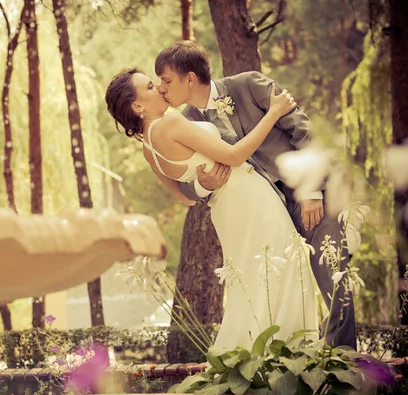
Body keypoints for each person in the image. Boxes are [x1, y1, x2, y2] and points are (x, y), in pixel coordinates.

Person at [154, 40, 356, 349]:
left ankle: (346, 361)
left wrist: (312, 191)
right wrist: (203, 185)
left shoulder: (248, 84)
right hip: (264, 215)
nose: (162, 88)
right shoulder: (187, 121)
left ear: (190, 77)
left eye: (166, 80)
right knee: (286, 287)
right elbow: (185, 184)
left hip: (309, 196)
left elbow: (303, 130)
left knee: (333, 277)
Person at [105, 68, 318, 349]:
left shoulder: (148, 148)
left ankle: (255, 358)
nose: (159, 87)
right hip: (249, 198)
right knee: (285, 269)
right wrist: (274, 112)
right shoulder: (169, 125)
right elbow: (234, 155)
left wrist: (205, 184)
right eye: (149, 86)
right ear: (137, 105)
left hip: (225, 211)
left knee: (253, 284)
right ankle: (288, 355)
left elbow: (186, 198)